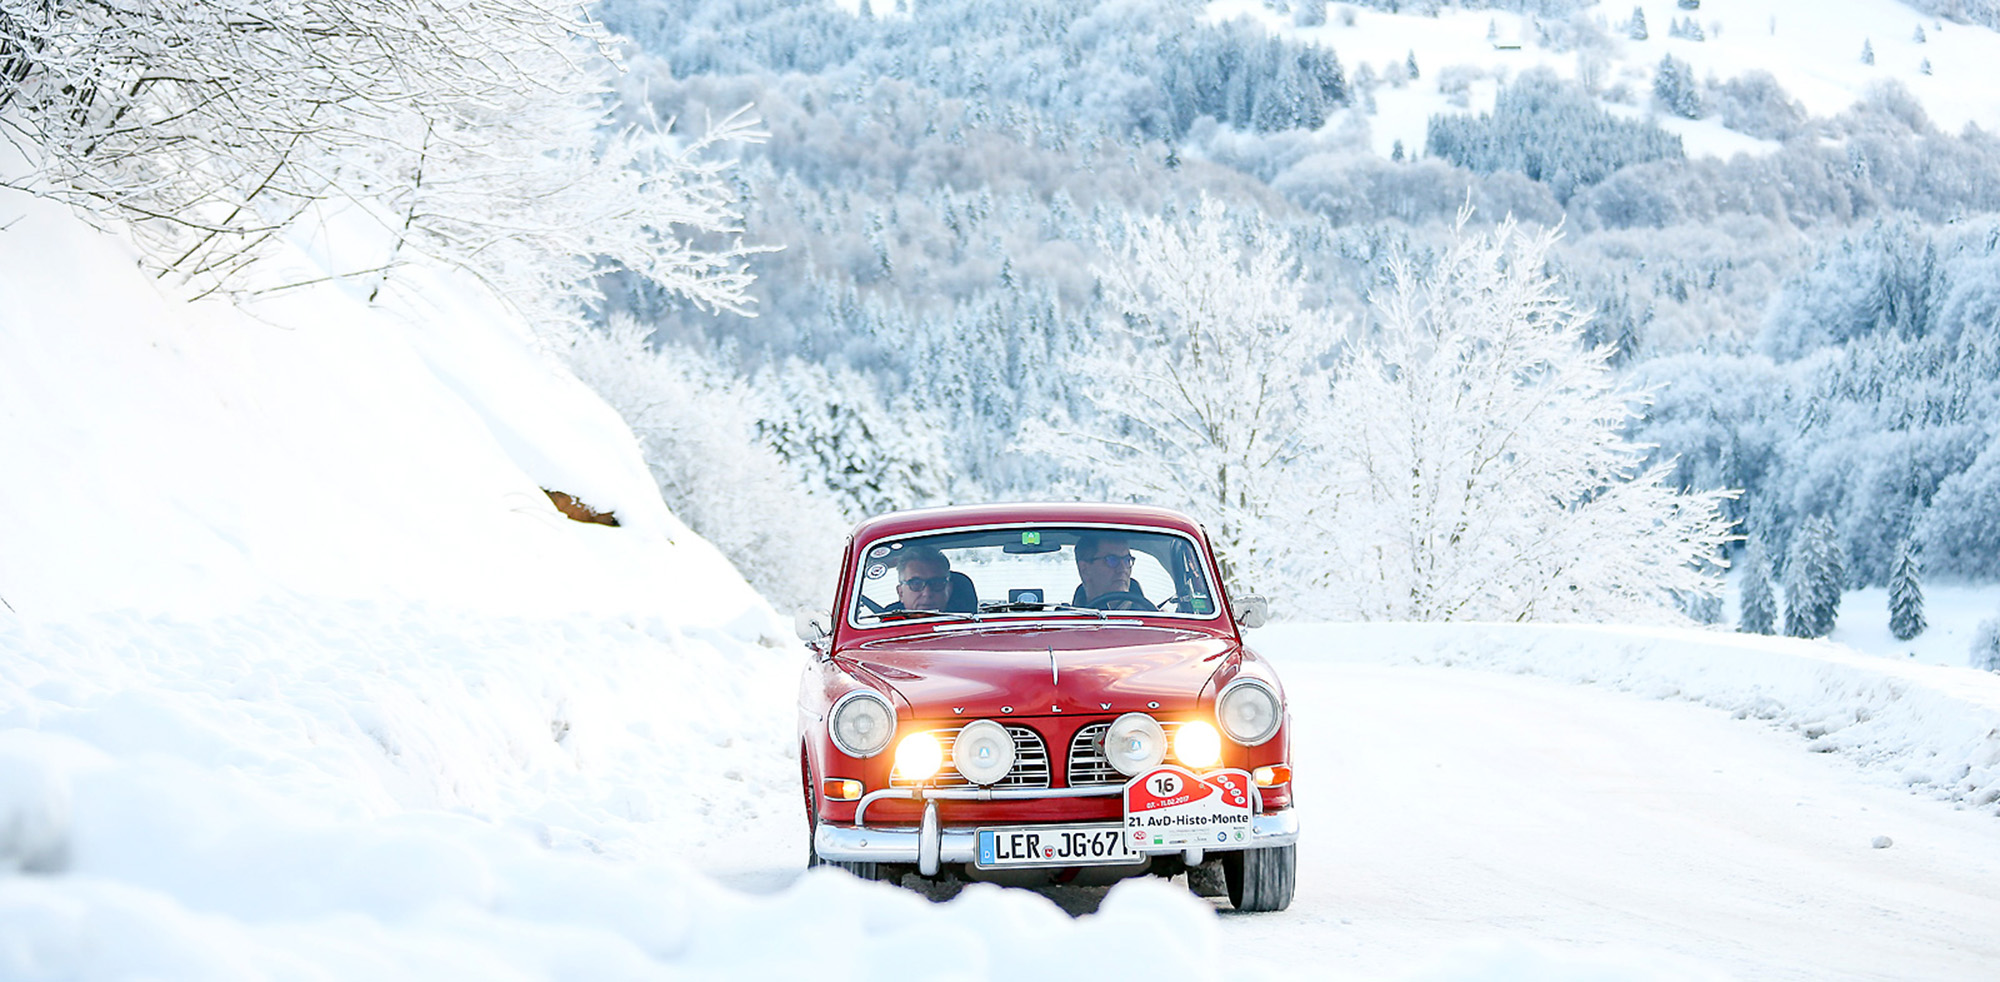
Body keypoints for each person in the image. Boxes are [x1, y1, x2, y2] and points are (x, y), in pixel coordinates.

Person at [1073, 533, 1154, 611]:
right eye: (1112, 560)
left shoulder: (1154, 620)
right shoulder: (1067, 620)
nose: (1123, 569)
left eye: (1127, 560)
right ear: (1085, 569)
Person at [887, 544, 953, 612]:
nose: (927, 593)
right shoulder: (884, 622)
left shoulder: (964, 620)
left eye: (936, 583)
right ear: (901, 593)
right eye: (916, 584)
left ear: (949, 590)